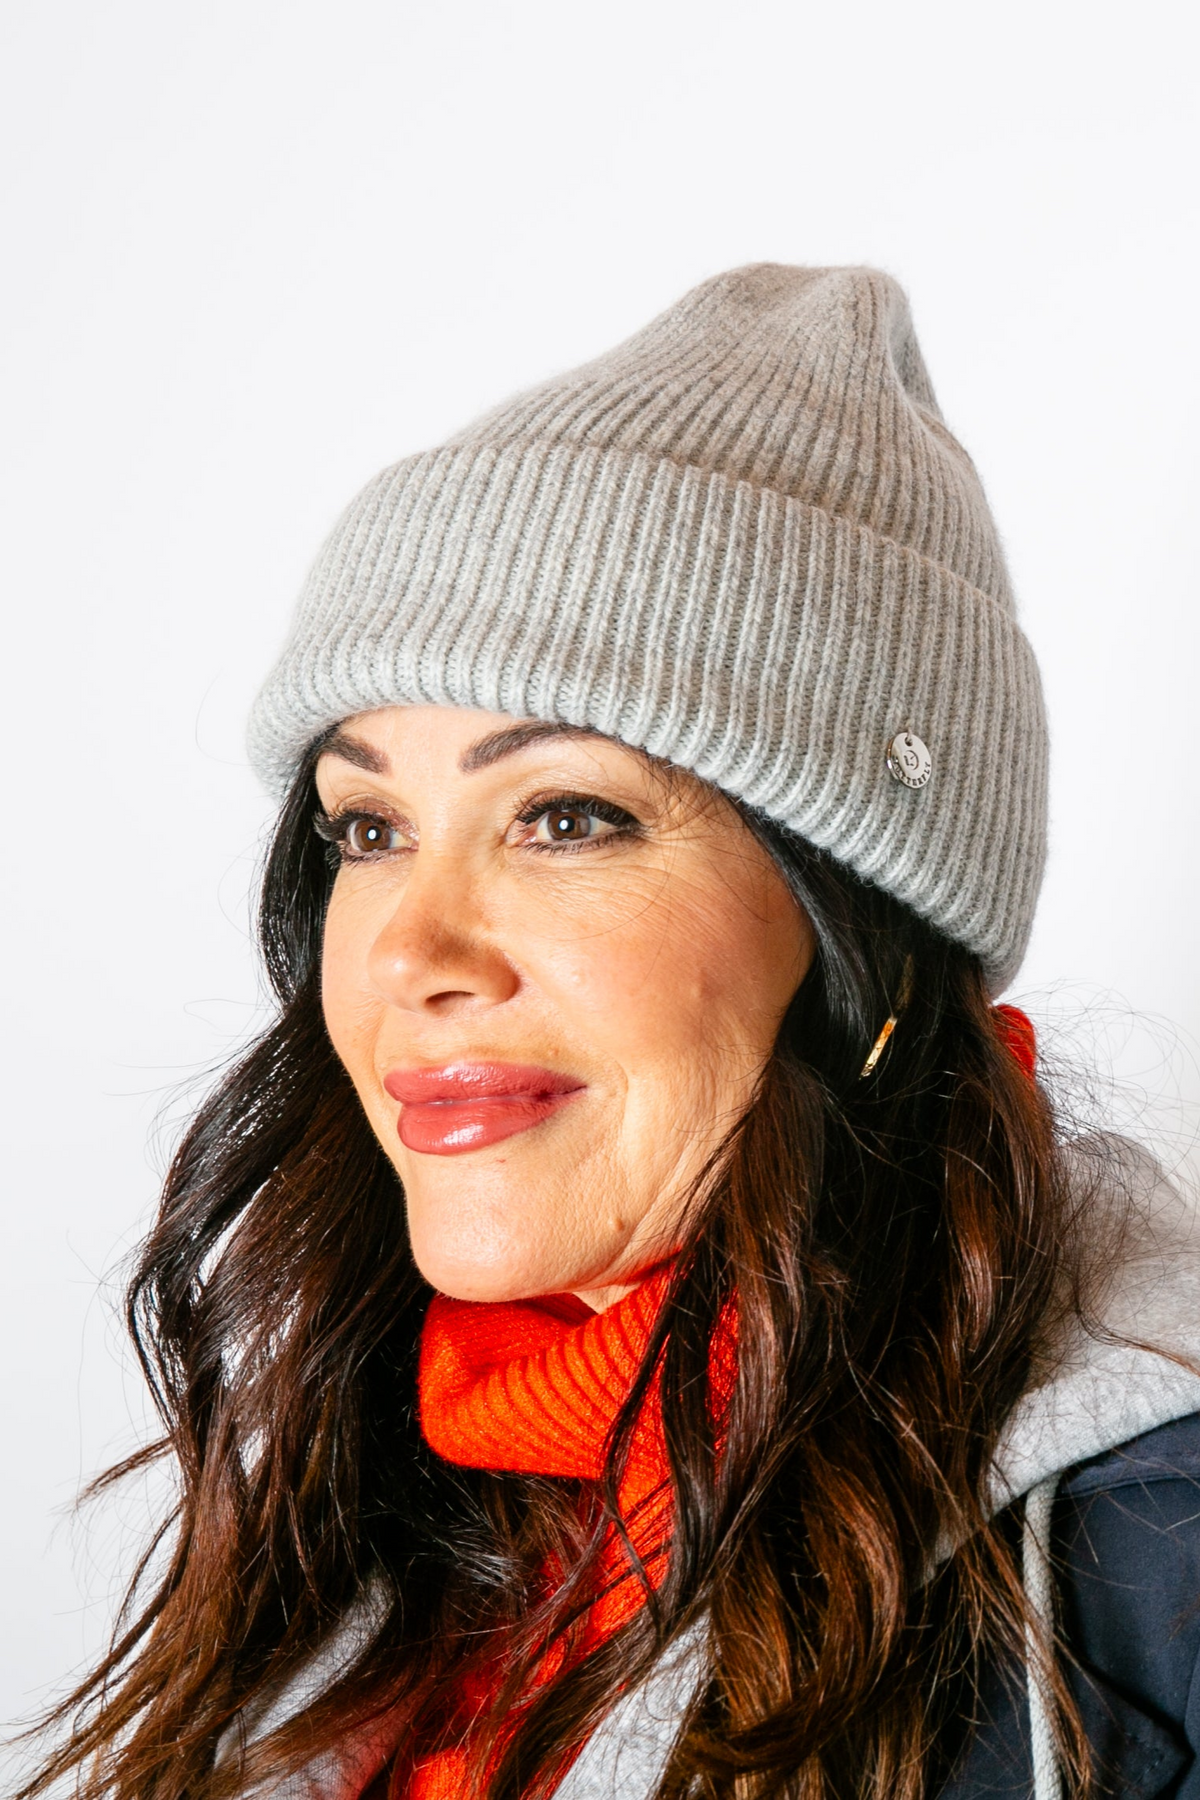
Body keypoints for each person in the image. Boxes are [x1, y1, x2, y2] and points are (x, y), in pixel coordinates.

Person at [24, 265, 1200, 1800]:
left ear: (861, 931)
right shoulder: (364, 1497)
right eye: (368, 828)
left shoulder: (1148, 1569)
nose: (411, 955)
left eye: (566, 817)